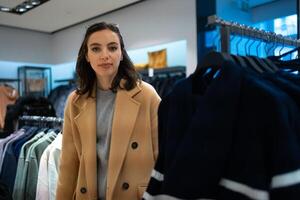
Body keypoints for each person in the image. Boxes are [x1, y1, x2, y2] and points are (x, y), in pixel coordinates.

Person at [56, 22, 161, 200]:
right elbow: (69, 163)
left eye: (112, 48)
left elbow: (162, 155)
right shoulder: (75, 101)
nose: (105, 55)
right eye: (96, 49)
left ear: (121, 54)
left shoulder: (146, 95)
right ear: (87, 56)